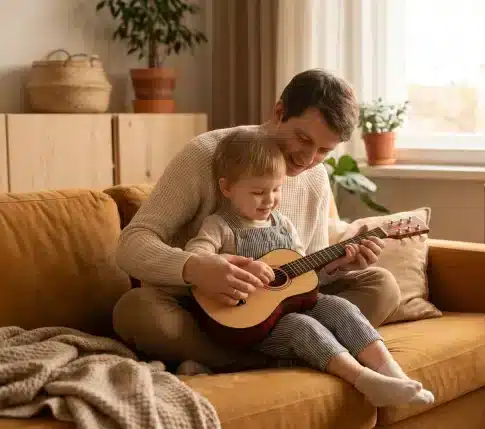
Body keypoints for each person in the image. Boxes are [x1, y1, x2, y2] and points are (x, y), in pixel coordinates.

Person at [111, 69, 401, 374]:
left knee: (381, 285)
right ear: (279, 112)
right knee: (136, 311)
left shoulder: (315, 178)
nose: (307, 158)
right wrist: (194, 268)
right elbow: (132, 243)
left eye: (324, 151)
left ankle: (253, 356)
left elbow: (304, 276)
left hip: (281, 314)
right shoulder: (205, 155)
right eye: (303, 138)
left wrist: (337, 265)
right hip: (205, 314)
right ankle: (295, 355)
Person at [181, 131, 433, 407]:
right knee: (303, 326)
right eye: (257, 192)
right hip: (249, 324)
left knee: (341, 307)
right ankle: (365, 381)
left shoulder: (284, 225)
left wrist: (338, 265)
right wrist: (236, 267)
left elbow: (303, 278)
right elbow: (195, 257)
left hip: (293, 305)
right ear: (227, 188)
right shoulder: (219, 226)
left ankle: (393, 374)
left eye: (276, 190)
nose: (269, 200)